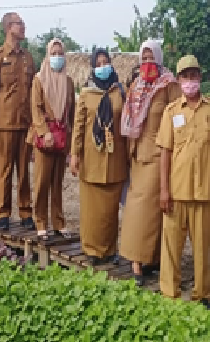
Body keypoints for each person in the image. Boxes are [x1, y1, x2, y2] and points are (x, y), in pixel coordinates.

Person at [156, 55, 210, 309]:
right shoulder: (171, 111)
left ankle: (202, 296)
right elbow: (165, 152)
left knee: (202, 249)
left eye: (194, 75)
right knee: (171, 247)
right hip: (176, 191)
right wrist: (163, 190)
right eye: (185, 76)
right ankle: (169, 295)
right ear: (178, 79)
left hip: (204, 191)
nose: (190, 80)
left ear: (200, 78)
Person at [119, 40, 181, 286]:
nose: (147, 63)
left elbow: (178, 117)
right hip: (137, 153)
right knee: (145, 208)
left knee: (145, 209)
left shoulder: (169, 85)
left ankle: (139, 261)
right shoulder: (137, 85)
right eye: (143, 59)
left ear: (159, 58)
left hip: (158, 154)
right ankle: (146, 259)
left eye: (150, 58)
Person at [70, 48, 128, 265]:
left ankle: (110, 249)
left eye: (106, 62)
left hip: (115, 158)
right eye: (99, 63)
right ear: (93, 68)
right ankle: (92, 250)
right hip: (91, 158)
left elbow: (126, 123)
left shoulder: (119, 92)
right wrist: (74, 154)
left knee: (110, 212)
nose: (103, 66)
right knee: (92, 211)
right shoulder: (86, 93)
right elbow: (78, 127)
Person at [0, 12, 36, 231]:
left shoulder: (28, 57)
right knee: (4, 170)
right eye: (19, 24)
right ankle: (2, 212)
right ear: (8, 28)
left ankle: (25, 212)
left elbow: (34, 92)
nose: (23, 27)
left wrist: (35, 122)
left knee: (24, 171)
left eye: (23, 23)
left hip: (25, 124)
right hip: (4, 124)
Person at [28, 38, 75, 241]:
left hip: (62, 138)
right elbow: (36, 108)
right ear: (48, 56)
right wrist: (44, 131)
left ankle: (58, 222)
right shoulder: (39, 80)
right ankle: (40, 221)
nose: (57, 57)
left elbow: (71, 114)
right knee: (42, 181)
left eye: (60, 53)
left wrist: (71, 145)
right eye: (53, 53)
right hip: (45, 139)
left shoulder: (68, 81)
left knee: (58, 182)